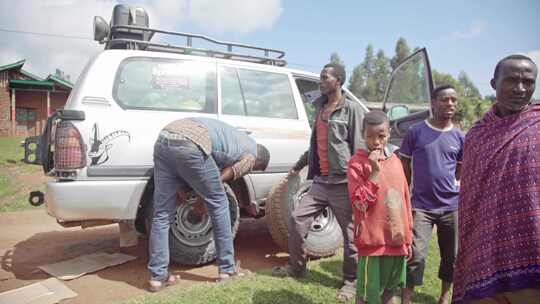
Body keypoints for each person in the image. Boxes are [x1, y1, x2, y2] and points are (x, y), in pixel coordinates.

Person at [272, 63, 365, 302]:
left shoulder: (352, 109)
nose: (320, 82)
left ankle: (351, 282)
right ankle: (297, 267)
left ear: (339, 81)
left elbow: (359, 147)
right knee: (297, 219)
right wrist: (299, 165)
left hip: (344, 182)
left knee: (350, 235)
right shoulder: (320, 108)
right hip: (321, 181)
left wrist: (361, 182)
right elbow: (315, 145)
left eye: (325, 77)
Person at [452, 55, 540, 303]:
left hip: (532, 256)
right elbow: (470, 200)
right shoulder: (478, 136)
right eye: (512, 80)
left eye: (528, 82)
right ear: (493, 83)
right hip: (484, 257)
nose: (520, 89)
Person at [148, 117, 270, 292]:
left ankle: (157, 277)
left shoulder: (237, 138)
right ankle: (227, 271)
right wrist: (205, 197)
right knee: (220, 204)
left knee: (161, 214)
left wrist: (189, 190)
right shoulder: (252, 155)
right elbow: (224, 175)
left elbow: (198, 172)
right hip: (192, 141)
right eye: (255, 169)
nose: (251, 171)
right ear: (259, 162)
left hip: (165, 138)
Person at [399, 85, 464, 304]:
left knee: (452, 256)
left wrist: (451, 186)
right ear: (434, 102)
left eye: (454, 100)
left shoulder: (459, 136)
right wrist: (405, 196)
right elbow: (405, 164)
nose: (450, 104)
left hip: (450, 207)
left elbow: (460, 169)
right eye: (445, 99)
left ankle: (445, 295)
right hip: (421, 206)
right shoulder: (416, 132)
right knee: (415, 254)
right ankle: (406, 296)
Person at [348, 110, 413, 304]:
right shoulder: (357, 164)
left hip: (396, 240)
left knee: (389, 293)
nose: (376, 142)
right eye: (370, 137)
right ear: (363, 135)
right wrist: (374, 173)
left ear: (389, 133)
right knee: (367, 295)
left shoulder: (396, 161)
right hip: (372, 243)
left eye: (381, 136)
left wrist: (407, 237)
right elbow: (359, 203)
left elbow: (404, 200)